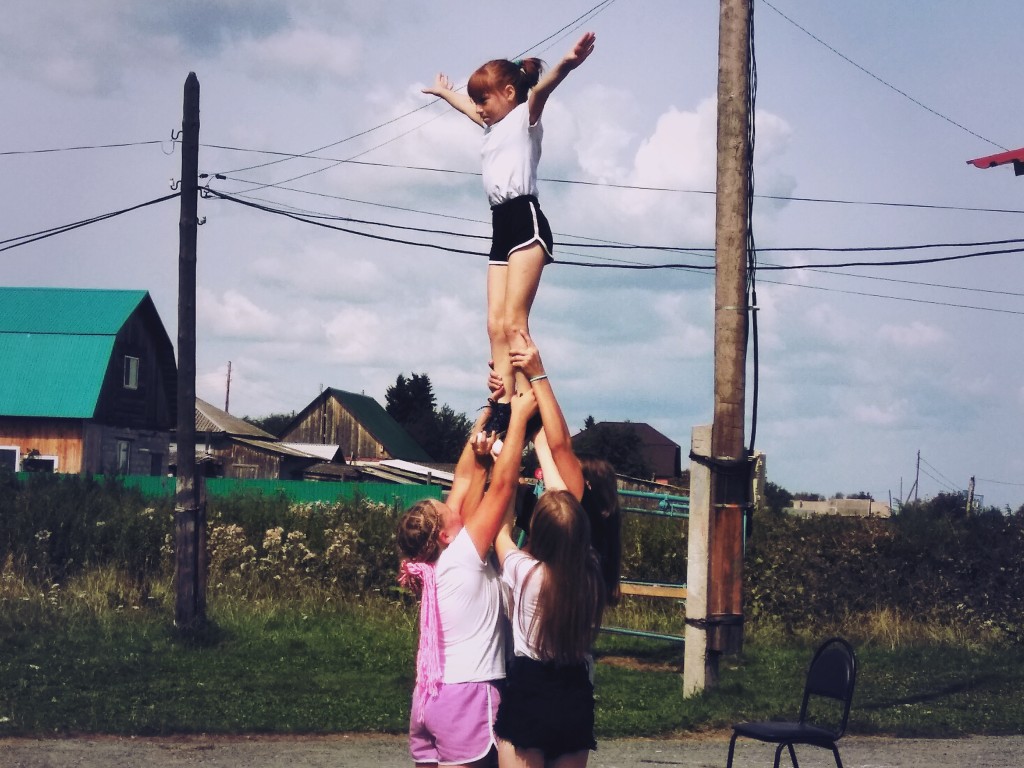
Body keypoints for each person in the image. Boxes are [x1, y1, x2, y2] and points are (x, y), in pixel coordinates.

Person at [422, 32, 597, 437]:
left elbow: (543, 90)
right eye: (477, 102)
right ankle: (503, 401)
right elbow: (469, 108)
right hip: (500, 224)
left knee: (515, 322)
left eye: (484, 100)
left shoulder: (524, 118)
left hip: (525, 221)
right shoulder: (491, 126)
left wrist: (567, 63)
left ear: (508, 93)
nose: (480, 109)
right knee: (494, 324)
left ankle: (527, 399)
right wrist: (445, 94)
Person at [397, 390, 538, 768]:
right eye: (447, 509)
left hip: (428, 700)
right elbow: (503, 487)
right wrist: (518, 418)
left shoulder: (433, 564)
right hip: (468, 695)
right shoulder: (461, 554)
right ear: (444, 534)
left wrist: (488, 417)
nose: (453, 504)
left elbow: (462, 478)